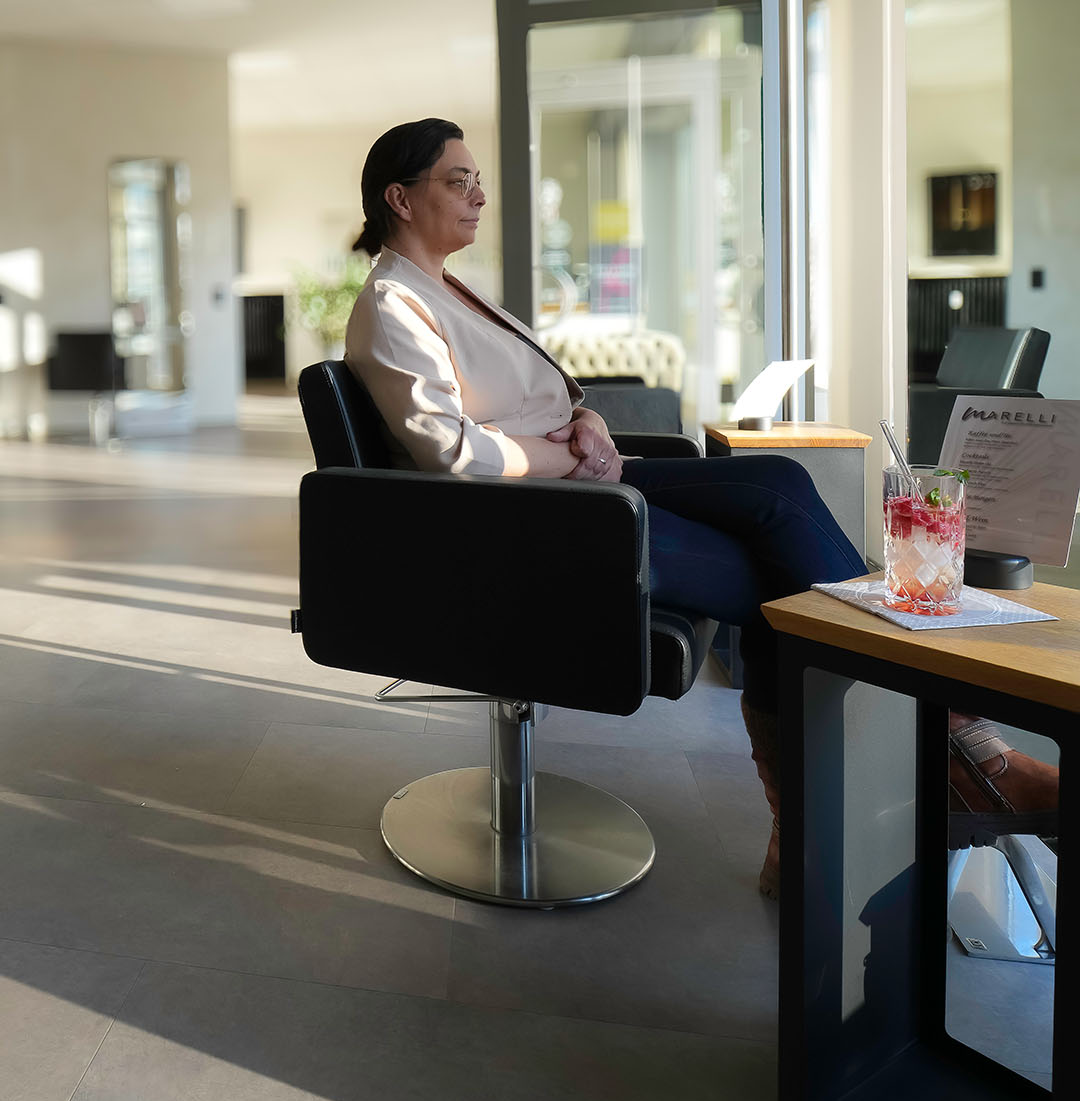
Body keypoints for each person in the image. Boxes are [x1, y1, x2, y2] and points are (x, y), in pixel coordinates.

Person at [342, 119, 1055, 896]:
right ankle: (956, 756)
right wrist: (572, 454)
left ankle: (906, 772)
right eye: (459, 181)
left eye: (477, 179)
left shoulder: (449, 288)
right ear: (399, 198)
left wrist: (590, 423)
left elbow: (546, 394)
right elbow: (454, 451)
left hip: (574, 488)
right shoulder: (392, 304)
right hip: (528, 524)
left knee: (779, 480)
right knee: (782, 582)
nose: (479, 195)